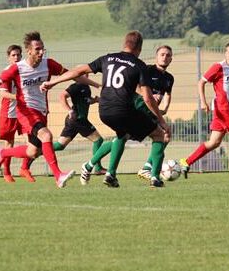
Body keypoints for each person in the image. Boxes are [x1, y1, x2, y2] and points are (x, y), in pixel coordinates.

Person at [41, 30, 171, 188]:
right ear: (139, 48)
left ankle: (110, 174)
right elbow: (148, 98)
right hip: (123, 109)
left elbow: (77, 71)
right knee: (158, 135)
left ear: (124, 44)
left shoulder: (107, 58)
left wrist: (53, 82)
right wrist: (162, 121)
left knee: (122, 135)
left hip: (104, 110)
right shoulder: (139, 65)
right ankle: (154, 177)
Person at [0, 31, 76, 188]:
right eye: (38, 49)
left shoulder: (48, 64)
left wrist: (93, 80)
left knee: (32, 152)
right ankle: (58, 175)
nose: (41, 52)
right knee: (46, 135)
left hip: (41, 111)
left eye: (43, 49)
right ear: (29, 51)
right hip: (24, 111)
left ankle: (3, 153)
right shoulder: (15, 69)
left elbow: (71, 74)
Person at [179, 41, 229, 180]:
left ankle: (186, 162)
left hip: (226, 109)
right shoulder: (218, 67)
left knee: (214, 142)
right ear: (225, 53)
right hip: (223, 108)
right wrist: (203, 102)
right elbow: (201, 82)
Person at [136, 45, 175, 181]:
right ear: (156, 57)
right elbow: (136, 87)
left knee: (165, 136)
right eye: (162, 54)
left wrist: (165, 108)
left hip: (152, 113)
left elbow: (168, 94)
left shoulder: (169, 78)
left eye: (168, 55)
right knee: (121, 139)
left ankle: (146, 168)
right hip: (138, 110)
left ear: (171, 59)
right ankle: (91, 165)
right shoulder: (147, 70)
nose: (165, 57)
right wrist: (150, 96)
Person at [0, 44, 35, 183]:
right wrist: (19, 98)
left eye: (18, 55)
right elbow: (4, 94)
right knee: (9, 143)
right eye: (13, 55)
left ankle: (24, 168)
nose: (16, 57)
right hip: (10, 112)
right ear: (8, 58)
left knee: (32, 141)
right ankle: (6, 172)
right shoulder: (7, 73)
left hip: (24, 112)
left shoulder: (25, 70)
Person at [52, 81, 107, 175]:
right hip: (78, 119)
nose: (87, 75)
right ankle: (97, 168)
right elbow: (62, 96)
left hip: (75, 120)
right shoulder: (76, 86)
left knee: (60, 145)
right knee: (98, 140)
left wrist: (95, 100)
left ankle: (38, 150)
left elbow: (86, 100)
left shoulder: (86, 86)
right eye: (84, 74)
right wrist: (69, 110)